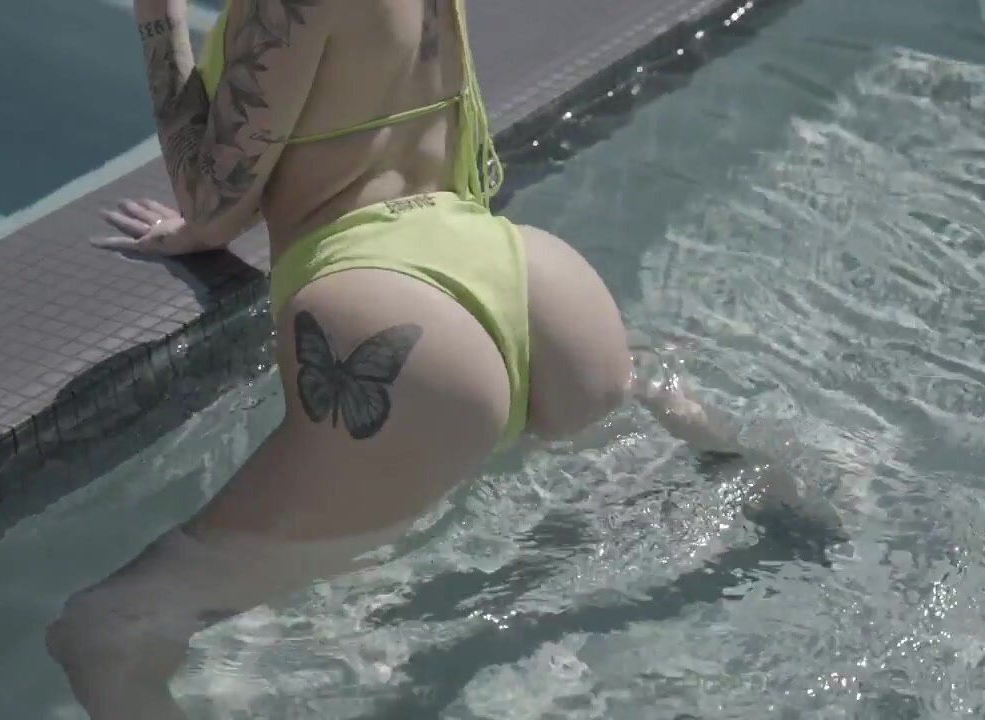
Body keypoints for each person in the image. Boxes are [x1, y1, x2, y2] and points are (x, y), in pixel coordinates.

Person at [45, 1, 632, 718]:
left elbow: (210, 202)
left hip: (399, 320)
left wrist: (157, 20)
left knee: (106, 630)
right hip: (535, 283)